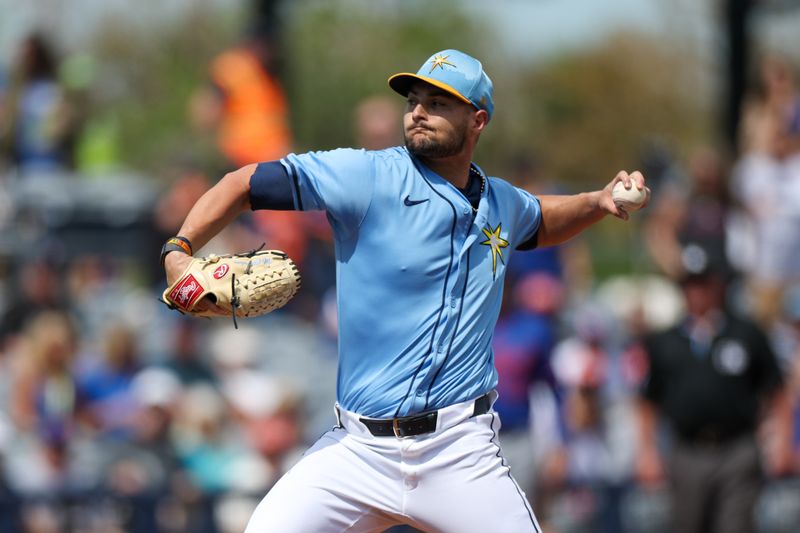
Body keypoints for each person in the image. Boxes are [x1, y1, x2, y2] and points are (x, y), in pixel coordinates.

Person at [161, 49, 648, 532]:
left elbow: (542, 219)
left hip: (458, 450)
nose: (418, 111)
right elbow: (244, 182)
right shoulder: (365, 176)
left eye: (438, 103)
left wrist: (598, 201)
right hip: (356, 452)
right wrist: (179, 249)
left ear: (477, 120)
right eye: (414, 99)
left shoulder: (502, 202)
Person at [636, 242, 794, 533]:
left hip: (737, 449)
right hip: (687, 450)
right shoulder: (666, 341)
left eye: (702, 284)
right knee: (686, 524)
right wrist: (647, 452)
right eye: (689, 285)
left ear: (717, 285)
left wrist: (781, 442)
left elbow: (777, 389)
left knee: (735, 526)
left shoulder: (745, 333)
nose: (696, 292)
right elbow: (648, 399)